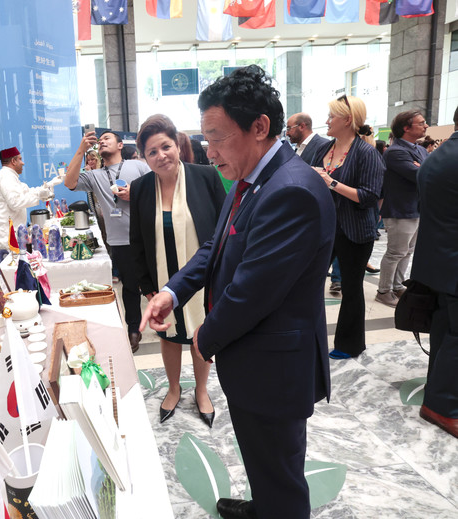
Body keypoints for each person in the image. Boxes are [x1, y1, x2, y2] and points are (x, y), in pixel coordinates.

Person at [141, 65, 334, 519]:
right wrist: (173, 291)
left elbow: (252, 292)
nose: (209, 152)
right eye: (205, 139)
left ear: (259, 127)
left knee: (280, 468)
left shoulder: (291, 191)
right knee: (261, 457)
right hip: (254, 357)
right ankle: (264, 507)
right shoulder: (250, 178)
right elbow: (217, 247)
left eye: (217, 138)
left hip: (275, 364)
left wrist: (202, 340)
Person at [129, 115, 225, 425]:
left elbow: (223, 231)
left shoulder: (206, 177)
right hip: (162, 277)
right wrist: (147, 288)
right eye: (152, 152)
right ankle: (173, 388)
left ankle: (201, 390)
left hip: (200, 277)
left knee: (200, 332)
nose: (161, 156)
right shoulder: (141, 188)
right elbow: (136, 241)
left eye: (165, 147)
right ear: (145, 158)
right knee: (168, 334)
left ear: (178, 146)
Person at [311, 95, 383, 360]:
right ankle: (308, 337)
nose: (327, 120)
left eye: (332, 116)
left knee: (351, 289)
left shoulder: (366, 153)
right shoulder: (324, 148)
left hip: (354, 230)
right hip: (324, 227)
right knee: (309, 282)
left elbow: (369, 196)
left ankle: (350, 344)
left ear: (347, 120)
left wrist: (331, 182)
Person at [66, 130, 150, 351]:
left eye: (108, 138)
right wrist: (81, 150)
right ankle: (134, 329)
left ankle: (167, 324)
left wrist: (135, 193)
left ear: (120, 145)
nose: (102, 141)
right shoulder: (94, 176)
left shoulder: (137, 166)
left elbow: (158, 188)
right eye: (100, 140)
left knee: (157, 283)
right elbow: (69, 182)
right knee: (130, 287)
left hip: (148, 235)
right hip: (120, 240)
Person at [410, 126, 458, 439]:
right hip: (451, 259)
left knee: (445, 329)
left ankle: (438, 393)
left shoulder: (437, 155)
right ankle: (442, 406)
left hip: (439, 260)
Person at [375, 110, 428, 308]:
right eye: (421, 123)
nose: (426, 126)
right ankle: (383, 291)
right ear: (406, 128)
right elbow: (421, 175)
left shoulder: (420, 150)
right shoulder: (395, 152)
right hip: (400, 210)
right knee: (396, 252)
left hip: (416, 208)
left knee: (407, 252)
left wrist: (422, 166)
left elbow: (427, 171)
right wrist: (423, 168)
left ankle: (397, 285)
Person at [0, 147, 53, 257]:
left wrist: (46, 187)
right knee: (8, 267)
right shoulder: (6, 177)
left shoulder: (10, 177)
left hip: (7, 235)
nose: (23, 163)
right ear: (13, 161)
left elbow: (26, 192)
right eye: (20, 159)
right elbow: (15, 202)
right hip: (4, 237)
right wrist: (40, 195)